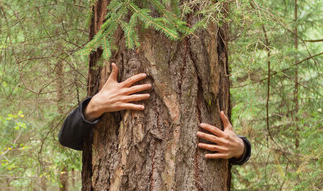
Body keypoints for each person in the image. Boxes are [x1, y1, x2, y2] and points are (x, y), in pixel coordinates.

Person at [58, 63, 251, 165]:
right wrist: (94, 106)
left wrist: (241, 149)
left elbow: (233, 141)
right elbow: (67, 137)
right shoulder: (104, 92)